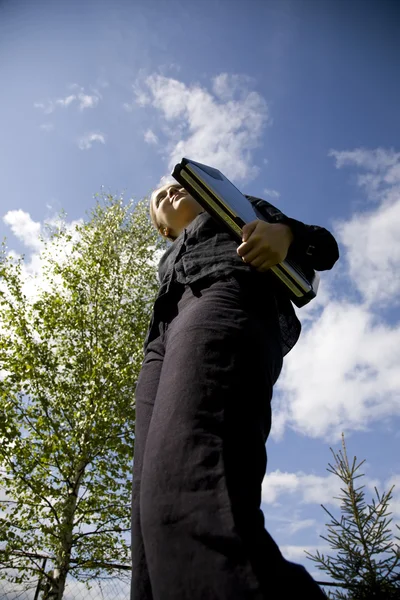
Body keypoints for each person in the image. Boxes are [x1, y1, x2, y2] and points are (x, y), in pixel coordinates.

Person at [131, 181, 339, 600]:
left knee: (188, 476)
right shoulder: (168, 257)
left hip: (226, 293)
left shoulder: (235, 208)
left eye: (177, 187)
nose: (170, 194)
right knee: (145, 522)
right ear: (163, 229)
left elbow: (324, 247)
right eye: (160, 199)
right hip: (160, 339)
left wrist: (288, 235)